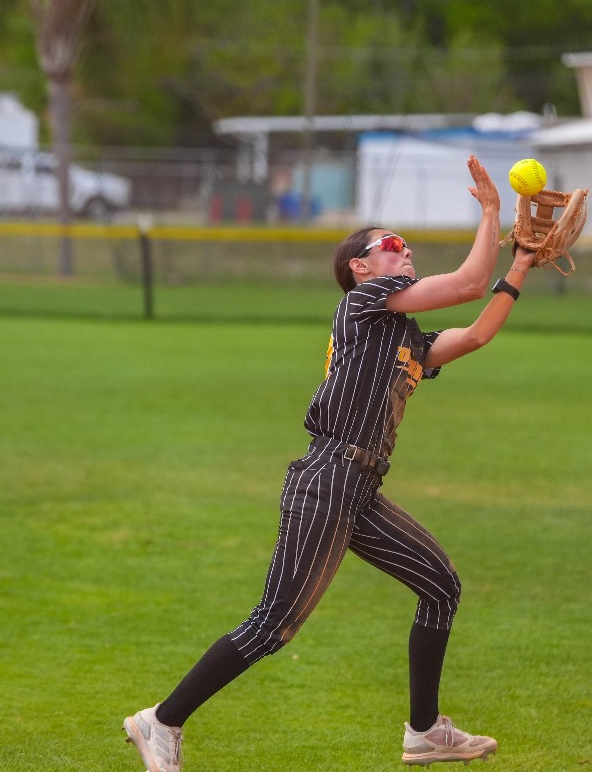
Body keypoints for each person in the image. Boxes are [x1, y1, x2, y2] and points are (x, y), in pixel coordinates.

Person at [124, 155, 536, 771]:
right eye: (392, 245)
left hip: (360, 486)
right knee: (273, 626)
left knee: (440, 586)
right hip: (329, 479)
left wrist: (522, 264)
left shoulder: (403, 334)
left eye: (404, 246)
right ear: (360, 268)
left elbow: (474, 332)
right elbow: (467, 284)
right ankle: (161, 721)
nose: (405, 251)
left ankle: (424, 733)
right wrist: (492, 214)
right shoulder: (366, 303)